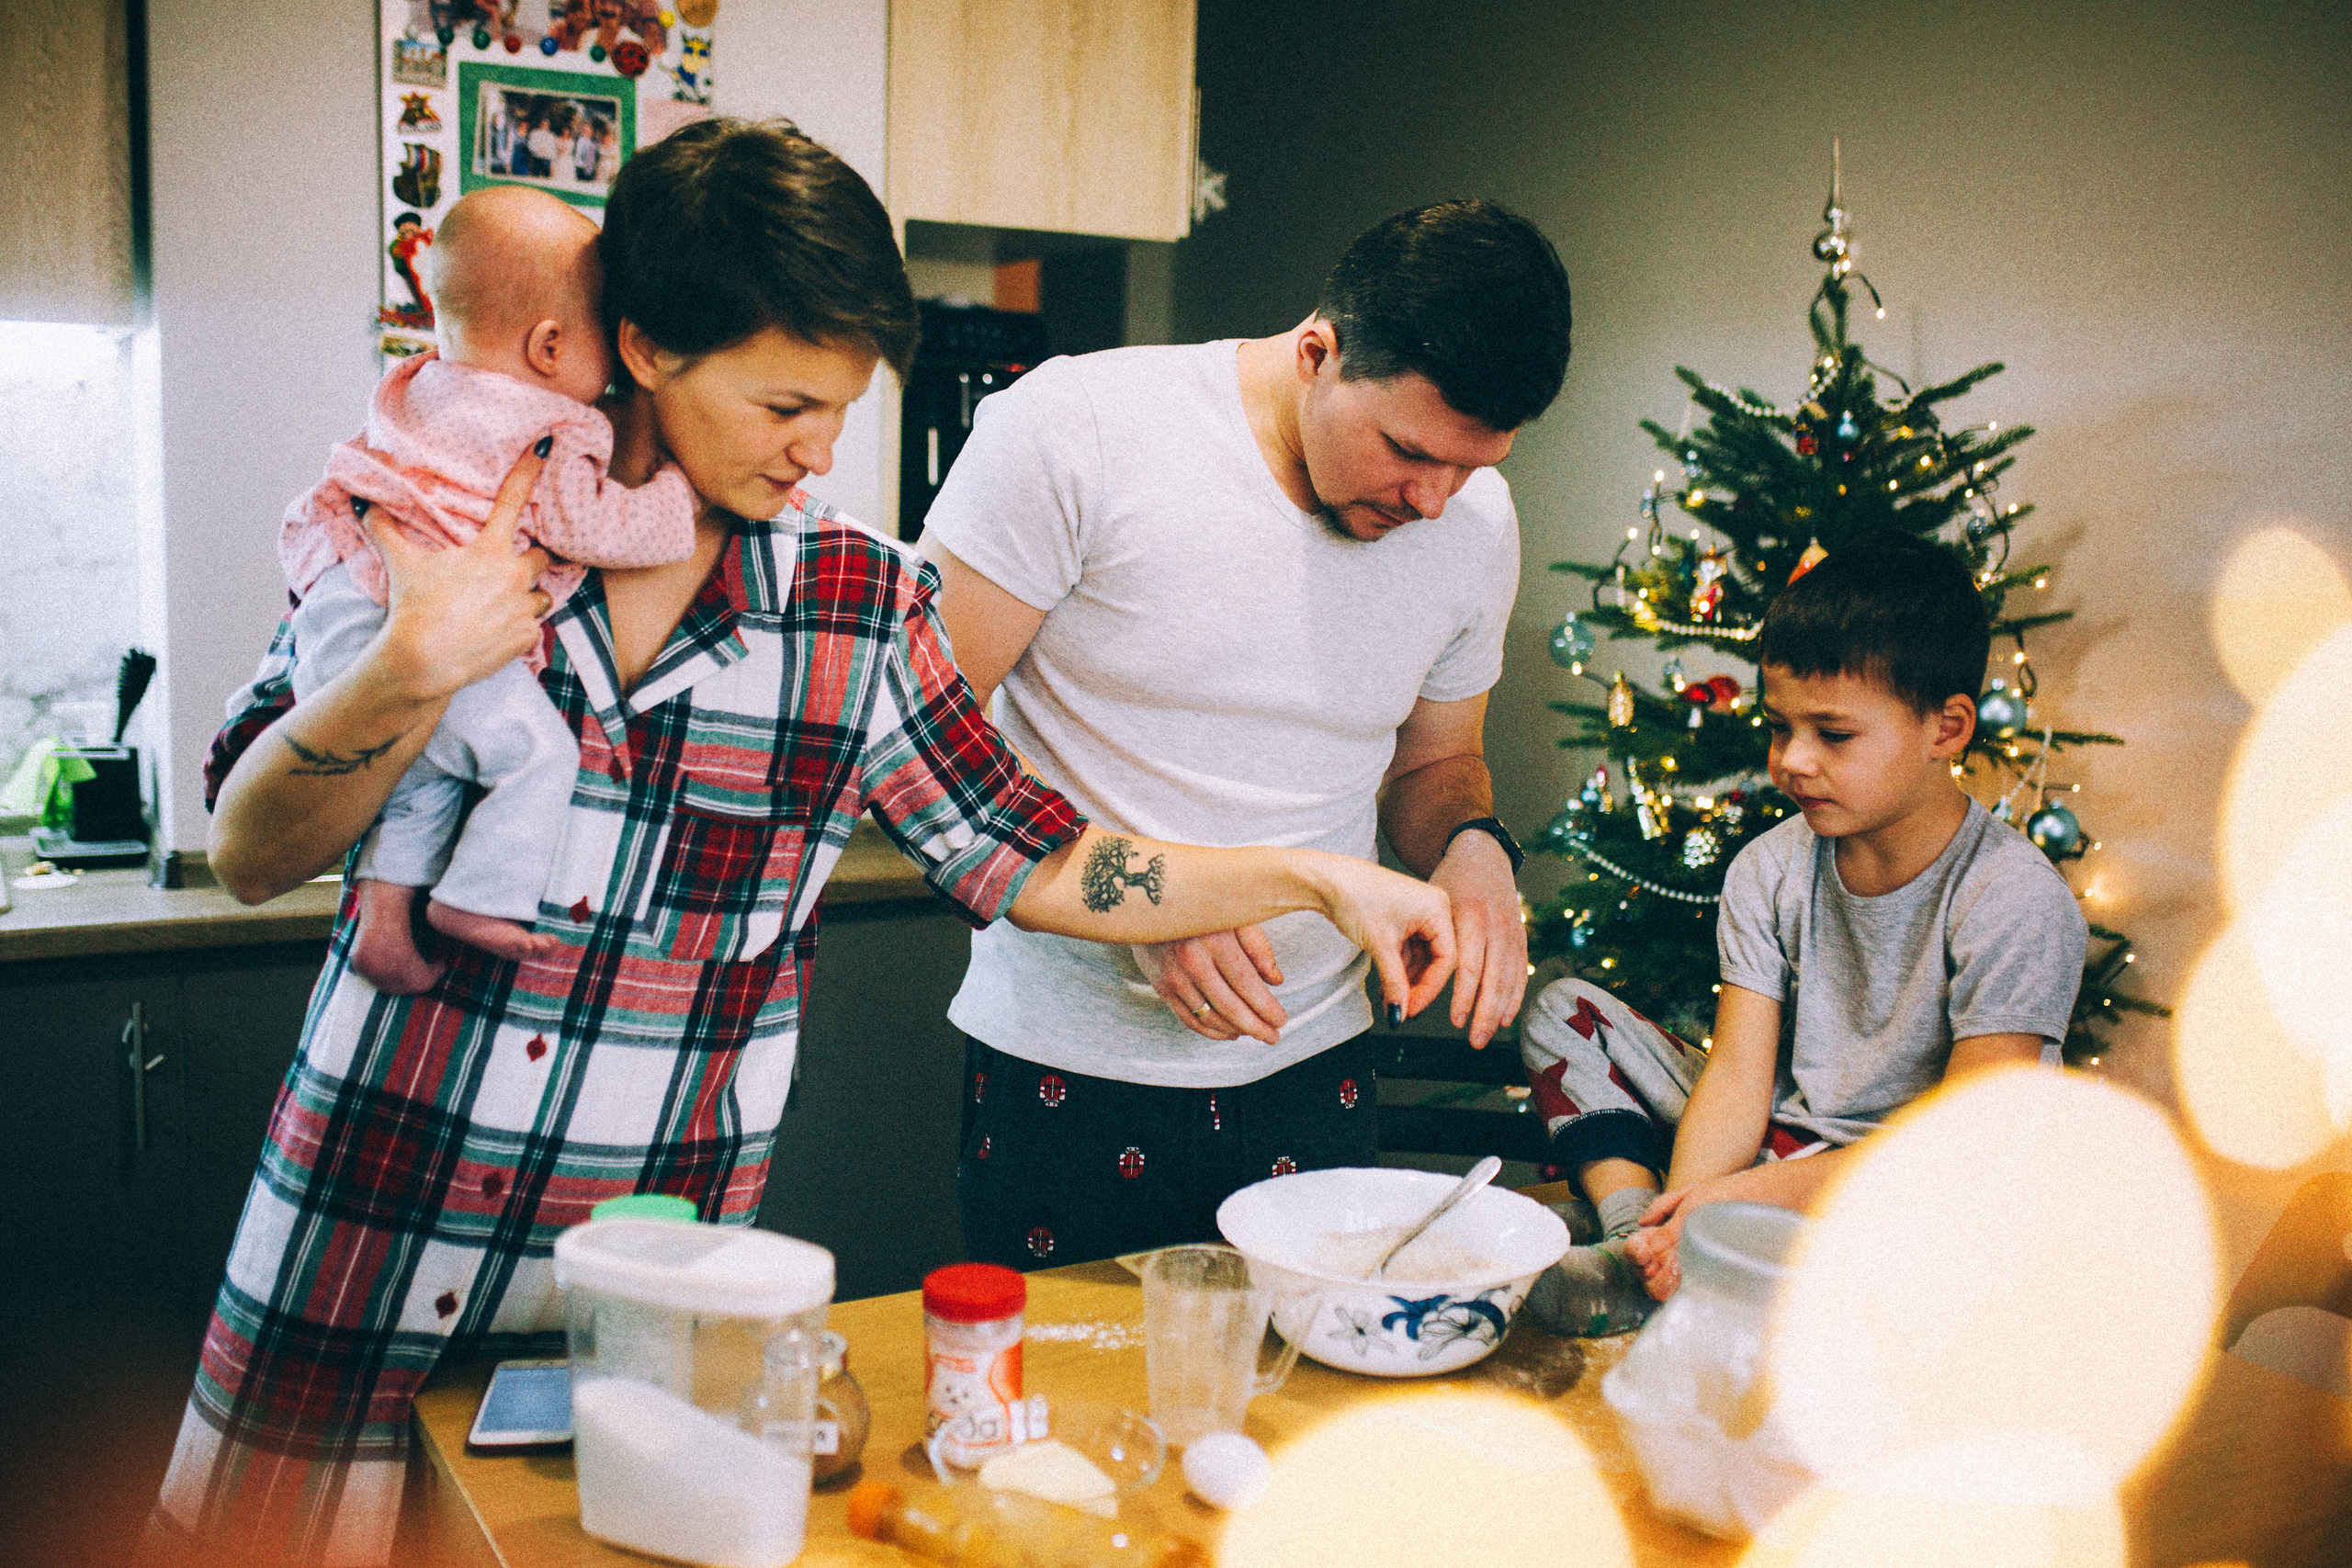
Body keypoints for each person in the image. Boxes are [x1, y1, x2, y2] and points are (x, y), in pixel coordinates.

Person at [151, 118, 1456, 1566]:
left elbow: (1038, 854)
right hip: (362, 1239)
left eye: (843, 406)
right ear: (646, 346)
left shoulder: (854, 602)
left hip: (649, 1306)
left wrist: (1320, 875)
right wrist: (407, 662)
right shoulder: (439, 512)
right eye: (784, 404)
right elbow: (249, 848)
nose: (821, 449)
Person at [923, 199, 1573, 1269]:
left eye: (1472, 466)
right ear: (1317, 351)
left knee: (1296, 1415)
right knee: (1073, 1415)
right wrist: (1156, 901)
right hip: (1067, 1067)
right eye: (1409, 451)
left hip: (1316, 1063)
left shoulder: (1473, 521)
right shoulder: (1077, 429)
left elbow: (1438, 764)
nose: (1431, 499)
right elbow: (925, 747)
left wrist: (1472, 848)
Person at [1518, 534, 2087, 1337]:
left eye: (1834, 733)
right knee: (1563, 1011)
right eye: (1780, 726)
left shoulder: (2014, 898)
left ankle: (1684, 1252)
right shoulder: (1770, 869)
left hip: (1917, 1178)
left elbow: (1959, 1149)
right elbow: (1737, 1080)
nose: (1792, 760)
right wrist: (1685, 1222)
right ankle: (1634, 1239)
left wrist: (1732, 1204)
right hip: (1781, 1144)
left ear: (1948, 728)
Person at [282, 184, 699, 994]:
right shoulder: (547, 426)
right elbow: (593, 525)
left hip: (336, 595)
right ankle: (474, 898)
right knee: (535, 753)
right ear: (548, 347)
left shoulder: (418, 386)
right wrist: (673, 498)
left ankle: (381, 924)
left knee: (427, 766)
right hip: (407, 618)